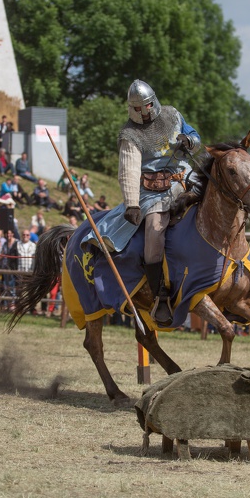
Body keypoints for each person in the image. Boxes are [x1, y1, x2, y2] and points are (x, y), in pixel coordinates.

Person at [84, 80, 200, 324]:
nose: (145, 112)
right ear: (131, 109)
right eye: (138, 109)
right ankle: (160, 296)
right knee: (154, 232)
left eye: (147, 105)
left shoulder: (172, 114)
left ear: (153, 101)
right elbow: (129, 170)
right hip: (152, 193)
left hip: (185, 178)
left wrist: (189, 142)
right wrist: (132, 204)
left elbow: (194, 135)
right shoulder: (130, 135)